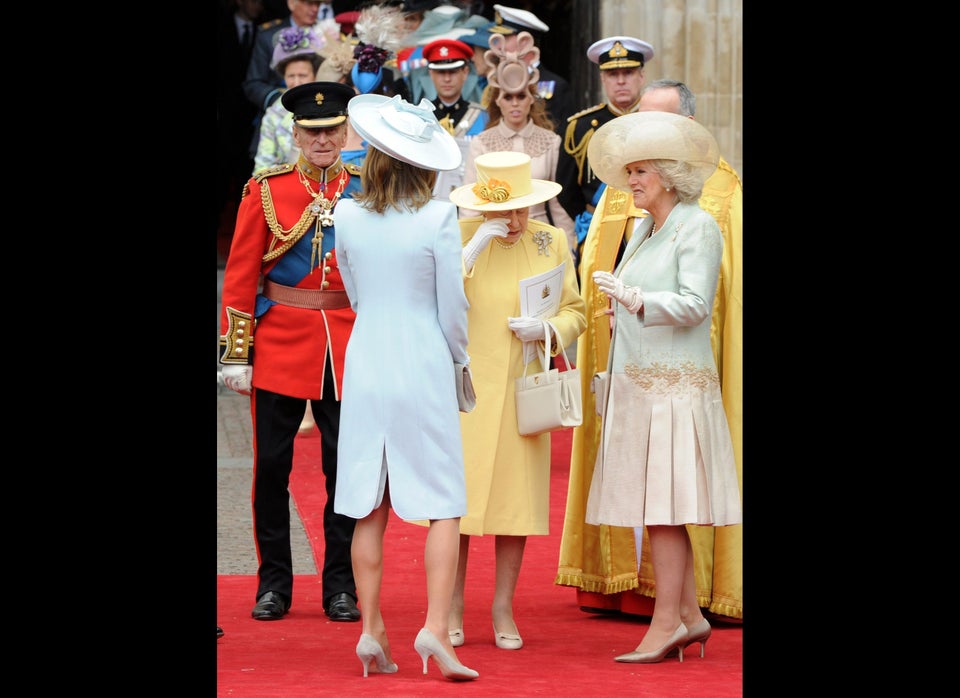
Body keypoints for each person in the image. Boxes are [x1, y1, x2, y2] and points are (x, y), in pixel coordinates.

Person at [555, 80, 745, 624]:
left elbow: (699, 303)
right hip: (639, 378)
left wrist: (636, 300)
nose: (631, 174)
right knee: (658, 506)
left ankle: (671, 622)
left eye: (643, 164)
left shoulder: (707, 213)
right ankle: (686, 619)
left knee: (668, 506)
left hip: (678, 384)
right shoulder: (641, 220)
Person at [333, 92, 478, 681]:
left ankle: (371, 631)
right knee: (443, 503)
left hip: (366, 358)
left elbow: (354, 291)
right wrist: (460, 361)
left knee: (369, 502)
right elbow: (453, 310)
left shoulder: (345, 214)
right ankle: (436, 629)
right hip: (421, 357)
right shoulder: (440, 217)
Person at [219, 81, 364, 624]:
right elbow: (240, 274)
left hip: (348, 342)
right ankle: (274, 583)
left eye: (331, 131)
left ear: (345, 132)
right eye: (312, 131)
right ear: (297, 134)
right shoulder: (266, 189)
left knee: (343, 470)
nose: (322, 140)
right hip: (279, 337)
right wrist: (236, 353)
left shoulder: (367, 190)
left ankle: (341, 586)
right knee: (272, 468)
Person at [446, 151, 586, 651]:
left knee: (516, 503)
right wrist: (474, 243)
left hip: (525, 387)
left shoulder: (550, 240)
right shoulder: (459, 238)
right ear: (482, 209)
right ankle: (451, 604)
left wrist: (548, 328)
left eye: (522, 209)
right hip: (463, 390)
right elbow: (433, 298)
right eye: (505, 212)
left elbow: (576, 310)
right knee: (454, 506)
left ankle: (503, 606)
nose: (514, 221)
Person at [457, 30, 576, 257]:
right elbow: (470, 207)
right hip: (496, 239)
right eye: (507, 97)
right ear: (497, 101)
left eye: (521, 96)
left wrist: (568, 248)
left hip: (541, 239)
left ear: (531, 99)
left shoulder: (551, 141)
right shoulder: (481, 143)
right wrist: (469, 250)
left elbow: (558, 204)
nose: (515, 104)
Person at [555, 35, 654, 269]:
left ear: (641, 76)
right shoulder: (579, 127)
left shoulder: (658, 121)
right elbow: (566, 188)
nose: (621, 81)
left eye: (628, 73)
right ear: (602, 78)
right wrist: (591, 219)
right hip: (599, 229)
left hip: (652, 225)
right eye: (612, 74)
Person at [487, 5, 575, 137]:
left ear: (524, 42)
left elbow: (563, 137)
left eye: (505, 38)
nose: (499, 46)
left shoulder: (557, 86)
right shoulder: (496, 82)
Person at [421, 37, 488, 201]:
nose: (447, 79)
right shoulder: (419, 116)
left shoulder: (483, 116)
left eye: (453, 71)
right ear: (431, 73)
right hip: (428, 201)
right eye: (440, 72)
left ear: (465, 72)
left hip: (473, 199)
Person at [252, 26, 325, 175]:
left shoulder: (328, 106)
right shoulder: (274, 113)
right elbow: (262, 166)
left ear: (315, 74)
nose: (296, 82)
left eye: (303, 75)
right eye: (291, 76)